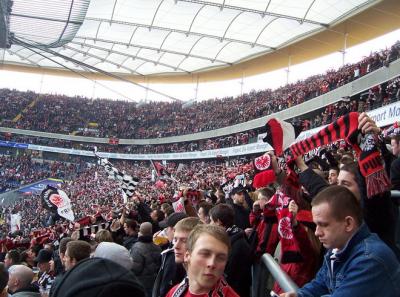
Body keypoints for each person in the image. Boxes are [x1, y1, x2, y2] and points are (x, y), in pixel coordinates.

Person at [280, 185, 400, 297]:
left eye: (324, 225)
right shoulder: (336, 248)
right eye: (316, 225)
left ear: (348, 223)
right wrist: (300, 295)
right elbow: (320, 284)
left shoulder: (369, 260)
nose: (317, 232)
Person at [166, 224, 239, 297]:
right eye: (205, 254)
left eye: (221, 258)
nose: (212, 263)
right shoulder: (174, 292)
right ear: (187, 256)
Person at [209, 203, 252, 297]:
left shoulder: (235, 244)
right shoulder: (233, 237)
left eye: (211, 221)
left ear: (218, 222)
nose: (210, 224)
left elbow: (229, 276)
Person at [153, 212, 187, 297]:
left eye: (167, 227)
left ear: (174, 230)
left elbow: (166, 287)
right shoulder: (173, 249)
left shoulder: (175, 255)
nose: (166, 231)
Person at [130, 222, 161, 297]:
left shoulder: (137, 247)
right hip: (155, 281)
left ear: (140, 232)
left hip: (142, 283)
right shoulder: (157, 246)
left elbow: (135, 269)